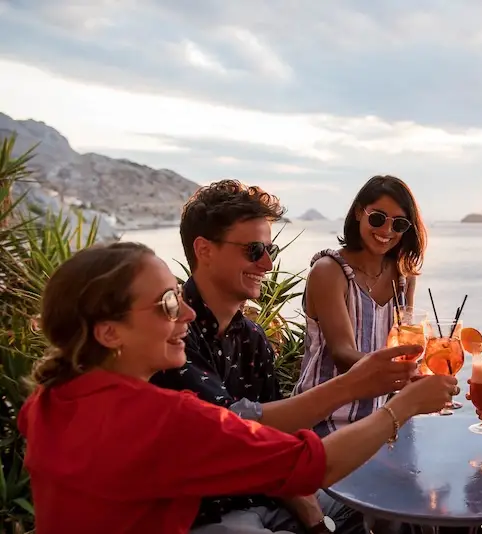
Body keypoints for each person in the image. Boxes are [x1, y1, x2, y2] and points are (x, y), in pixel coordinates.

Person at [18, 242, 456, 534]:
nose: (187, 314)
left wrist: (354, 384)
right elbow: (312, 465)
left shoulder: (49, 399)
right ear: (109, 333)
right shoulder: (166, 419)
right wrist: (400, 408)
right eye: (169, 304)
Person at [150, 179, 423, 532]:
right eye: (253, 251)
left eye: (270, 251)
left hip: (267, 496)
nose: (266, 264)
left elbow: (275, 446)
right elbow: (237, 431)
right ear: (204, 250)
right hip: (207, 512)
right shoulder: (173, 339)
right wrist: (361, 387)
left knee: (392, 504)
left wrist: (315, 521)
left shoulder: (252, 339)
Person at [292, 175, 427, 436]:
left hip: (377, 421)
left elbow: (403, 344)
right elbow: (343, 354)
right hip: (321, 420)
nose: (387, 231)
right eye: (377, 218)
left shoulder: (403, 278)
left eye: (398, 224)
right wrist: (403, 372)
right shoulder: (329, 271)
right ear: (358, 213)